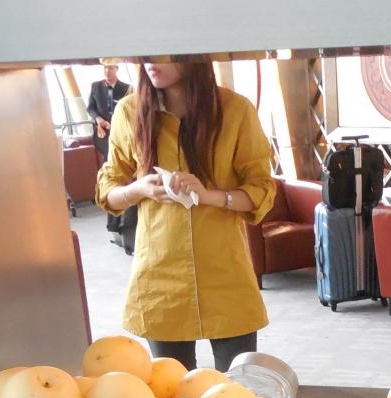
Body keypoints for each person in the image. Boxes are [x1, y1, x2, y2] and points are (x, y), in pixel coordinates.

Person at [95, 60, 275, 372]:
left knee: (237, 387)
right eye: (146, 54)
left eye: (165, 54)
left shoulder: (234, 110)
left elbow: (262, 189)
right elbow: (107, 189)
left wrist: (209, 196)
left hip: (225, 274)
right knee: (171, 389)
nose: (152, 62)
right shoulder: (130, 111)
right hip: (160, 277)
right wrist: (139, 189)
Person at [86, 64, 130, 163]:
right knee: (108, 159)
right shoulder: (95, 86)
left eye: (110, 68)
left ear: (117, 69)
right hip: (103, 132)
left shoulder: (126, 88)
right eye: (105, 67)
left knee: (122, 160)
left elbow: (129, 110)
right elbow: (90, 108)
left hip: (120, 131)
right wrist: (97, 118)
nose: (107, 70)